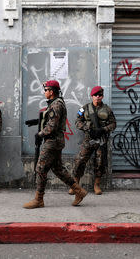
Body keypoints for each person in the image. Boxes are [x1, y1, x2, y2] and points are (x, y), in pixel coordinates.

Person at [23, 80, 87, 209]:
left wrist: (40, 134)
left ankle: (38, 199)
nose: (44, 92)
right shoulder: (54, 103)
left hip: (52, 141)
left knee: (40, 168)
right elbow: (51, 120)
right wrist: (38, 121)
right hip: (55, 141)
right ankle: (79, 191)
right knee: (58, 169)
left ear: (51, 92)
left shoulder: (56, 105)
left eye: (46, 90)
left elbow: (52, 127)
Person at [69, 86, 116, 195]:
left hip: (101, 140)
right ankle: (75, 185)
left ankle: (97, 185)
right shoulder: (85, 108)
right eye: (95, 95)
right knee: (80, 160)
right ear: (92, 96)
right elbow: (77, 121)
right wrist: (88, 129)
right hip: (88, 139)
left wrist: (103, 129)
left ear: (102, 96)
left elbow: (113, 124)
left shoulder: (107, 109)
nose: (97, 97)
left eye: (99, 95)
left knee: (100, 163)